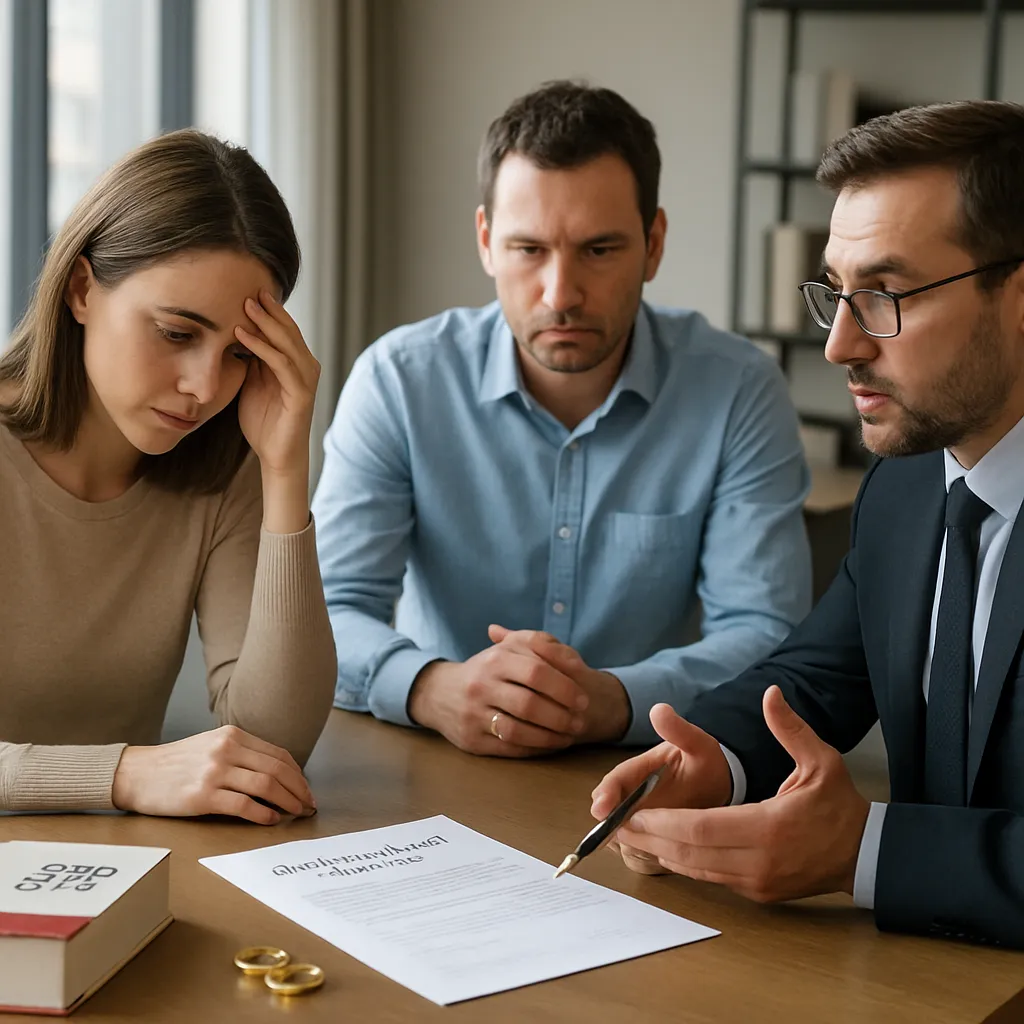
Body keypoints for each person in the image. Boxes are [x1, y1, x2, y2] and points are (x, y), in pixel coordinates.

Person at [591, 99, 1024, 947]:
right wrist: (708, 760)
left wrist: (863, 851)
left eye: (888, 295)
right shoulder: (904, 481)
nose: (840, 347)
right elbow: (819, 677)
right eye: (837, 293)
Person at [312, 80, 811, 756]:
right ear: (486, 241)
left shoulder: (737, 391)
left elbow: (766, 633)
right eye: (529, 250)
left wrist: (614, 699)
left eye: (599, 250)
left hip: (645, 765)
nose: (561, 293)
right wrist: (432, 687)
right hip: (432, 759)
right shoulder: (400, 381)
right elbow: (325, 612)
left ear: (654, 243)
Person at [0, 129, 337, 823]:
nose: (204, 386)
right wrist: (119, 774)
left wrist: (283, 467)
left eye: (239, 353)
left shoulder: (221, 465)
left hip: (129, 880)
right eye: (177, 334)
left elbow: (272, 749)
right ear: (82, 289)